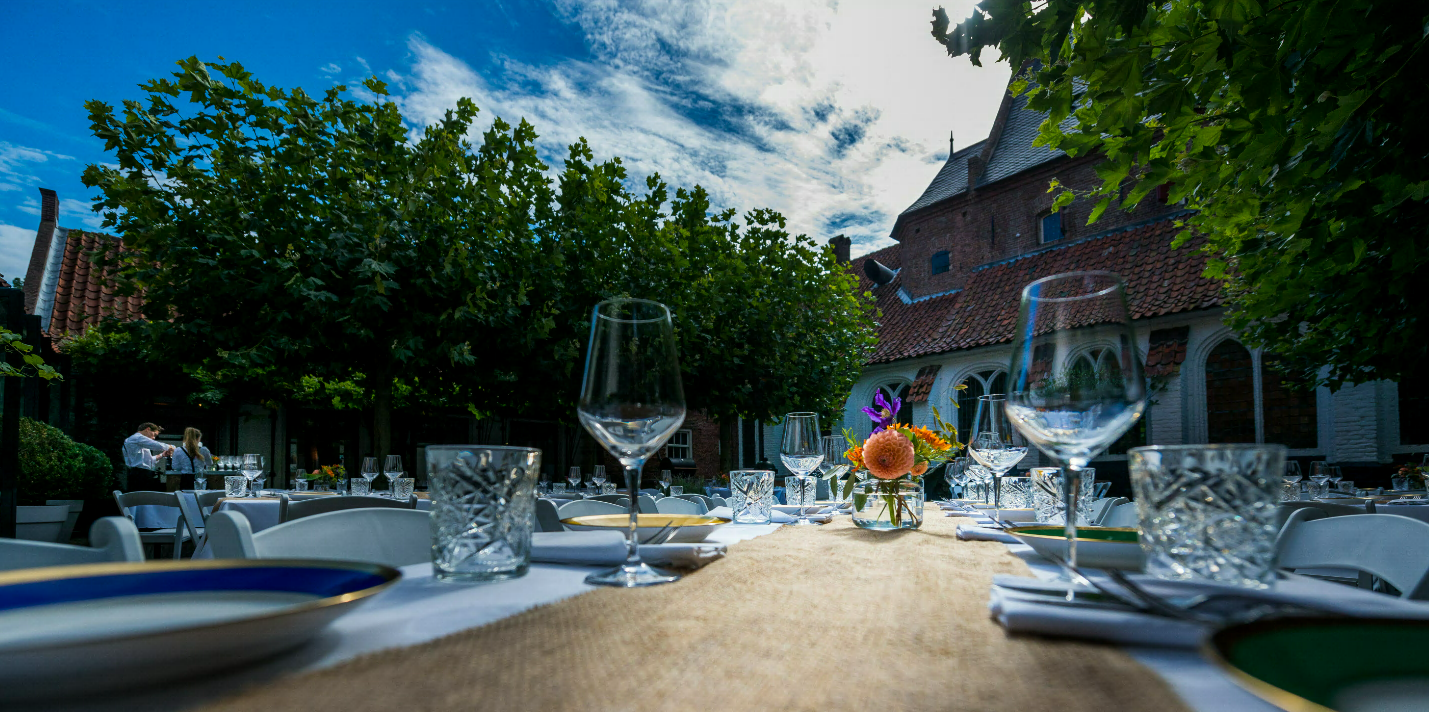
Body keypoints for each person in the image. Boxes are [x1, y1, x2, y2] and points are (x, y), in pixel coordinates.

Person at [123, 422, 174, 491]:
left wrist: (162, 455)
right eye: (154, 434)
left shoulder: (140, 442)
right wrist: (170, 447)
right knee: (142, 497)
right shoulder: (137, 437)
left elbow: (147, 460)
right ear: (148, 429)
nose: (153, 438)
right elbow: (155, 445)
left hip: (141, 473)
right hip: (140, 474)